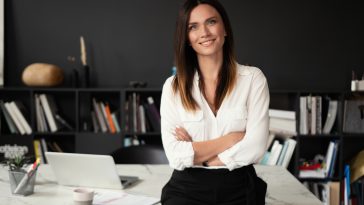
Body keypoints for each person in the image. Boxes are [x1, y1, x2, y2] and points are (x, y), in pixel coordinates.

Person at [160, 0, 269, 204]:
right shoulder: (173, 87)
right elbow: (175, 155)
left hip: (239, 186)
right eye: (193, 27)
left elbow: (256, 147)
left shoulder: (253, 79)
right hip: (186, 188)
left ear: (224, 28)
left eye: (211, 22)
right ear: (186, 37)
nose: (204, 32)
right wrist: (232, 139)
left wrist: (199, 155)